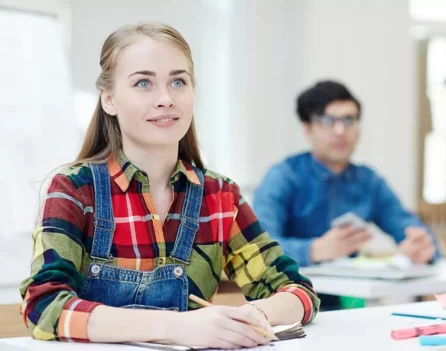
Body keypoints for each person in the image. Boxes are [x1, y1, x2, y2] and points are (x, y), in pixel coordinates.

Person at [19, 23, 319, 349]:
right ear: (109, 100)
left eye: (178, 81)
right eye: (144, 83)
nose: (165, 99)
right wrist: (177, 327)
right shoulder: (74, 190)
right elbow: (43, 307)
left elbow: (299, 292)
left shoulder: (220, 196)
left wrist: (249, 315)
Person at [253, 80, 440, 276]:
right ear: (308, 129)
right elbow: (257, 250)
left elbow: (411, 228)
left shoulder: (368, 181)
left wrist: (422, 247)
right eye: (327, 121)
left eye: (349, 120)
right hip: (289, 296)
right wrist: (314, 250)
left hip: (352, 297)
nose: (340, 131)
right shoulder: (283, 177)